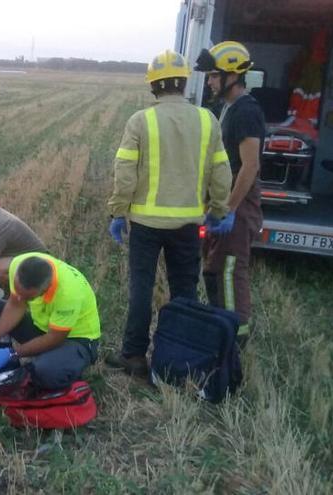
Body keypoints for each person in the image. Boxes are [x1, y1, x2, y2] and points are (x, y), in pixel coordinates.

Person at [104, 50, 233, 376]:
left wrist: (119, 212)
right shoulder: (207, 119)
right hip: (188, 224)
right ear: (185, 82)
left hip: (146, 224)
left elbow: (125, 171)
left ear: (153, 86)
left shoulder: (140, 121)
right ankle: (179, 358)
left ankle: (133, 356)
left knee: (141, 288)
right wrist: (219, 209)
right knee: (185, 291)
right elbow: (221, 171)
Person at [195, 41, 265, 346]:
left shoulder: (247, 111)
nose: (209, 81)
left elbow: (249, 167)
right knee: (213, 268)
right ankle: (220, 330)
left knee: (229, 272)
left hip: (238, 205)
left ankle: (234, 344)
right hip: (223, 202)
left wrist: (230, 210)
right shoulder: (228, 109)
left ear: (232, 76)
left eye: (213, 75)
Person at [0, 253, 100, 390]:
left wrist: (12, 353)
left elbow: (55, 338)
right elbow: (16, 305)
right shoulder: (20, 265)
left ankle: (60, 367)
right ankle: (0, 370)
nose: (20, 298)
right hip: (43, 328)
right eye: (18, 292)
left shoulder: (69, 294)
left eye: (27, 297)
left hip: (74, 340)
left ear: (44, 290)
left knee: (45, 371)